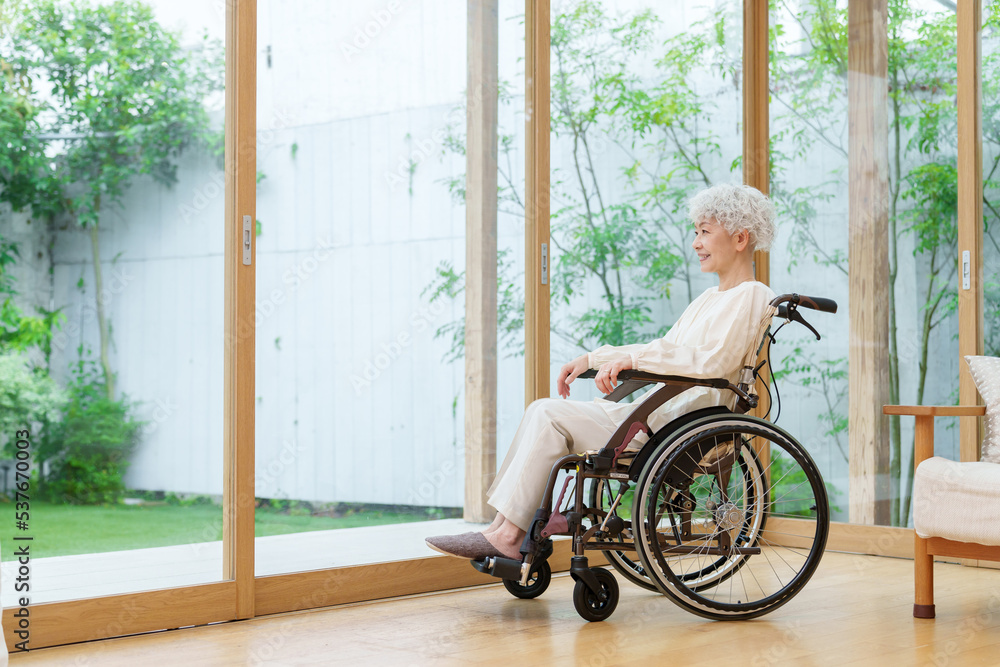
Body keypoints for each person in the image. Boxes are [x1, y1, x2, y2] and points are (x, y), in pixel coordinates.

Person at [425, 182, 778, 561]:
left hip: (675, 427)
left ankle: (508, 536)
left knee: (547, 415)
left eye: (705, 232)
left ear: (740, 238)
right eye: (696, 232)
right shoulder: (711, 298)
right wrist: (595, 359)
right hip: (654, 416)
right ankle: (501, 530)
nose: (695, 242)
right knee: (541, 409)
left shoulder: (753, 294)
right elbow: (665, 348)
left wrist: (636, 363)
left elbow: (711, 364)